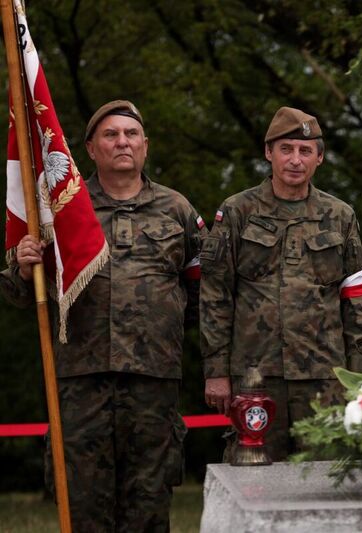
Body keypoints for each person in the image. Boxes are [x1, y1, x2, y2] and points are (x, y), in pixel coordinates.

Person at [0, 100, 206, 531]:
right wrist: (22, 267)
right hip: (80, 381)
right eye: (110, 135)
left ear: (145, 146)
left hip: (154, 382)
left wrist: (167, 334)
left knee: (149, 505)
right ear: (90, 148)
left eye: (131, 135)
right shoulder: (61, 210)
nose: (122, 143)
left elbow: (204, 296)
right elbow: (21, 295)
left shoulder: (178, 209)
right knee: (83, 505)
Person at [201, 106, 362, 461]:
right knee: (253, 477)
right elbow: (215, 294)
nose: (295, 160)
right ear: (269, 153)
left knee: (326, 478)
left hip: (325, 376)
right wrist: (216, 372)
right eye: (286, 149)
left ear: (319, 158)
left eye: (305, 150)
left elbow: (356, 298)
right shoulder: (238, 211)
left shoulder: (340, 215)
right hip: (255, 376)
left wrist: (358, 377)